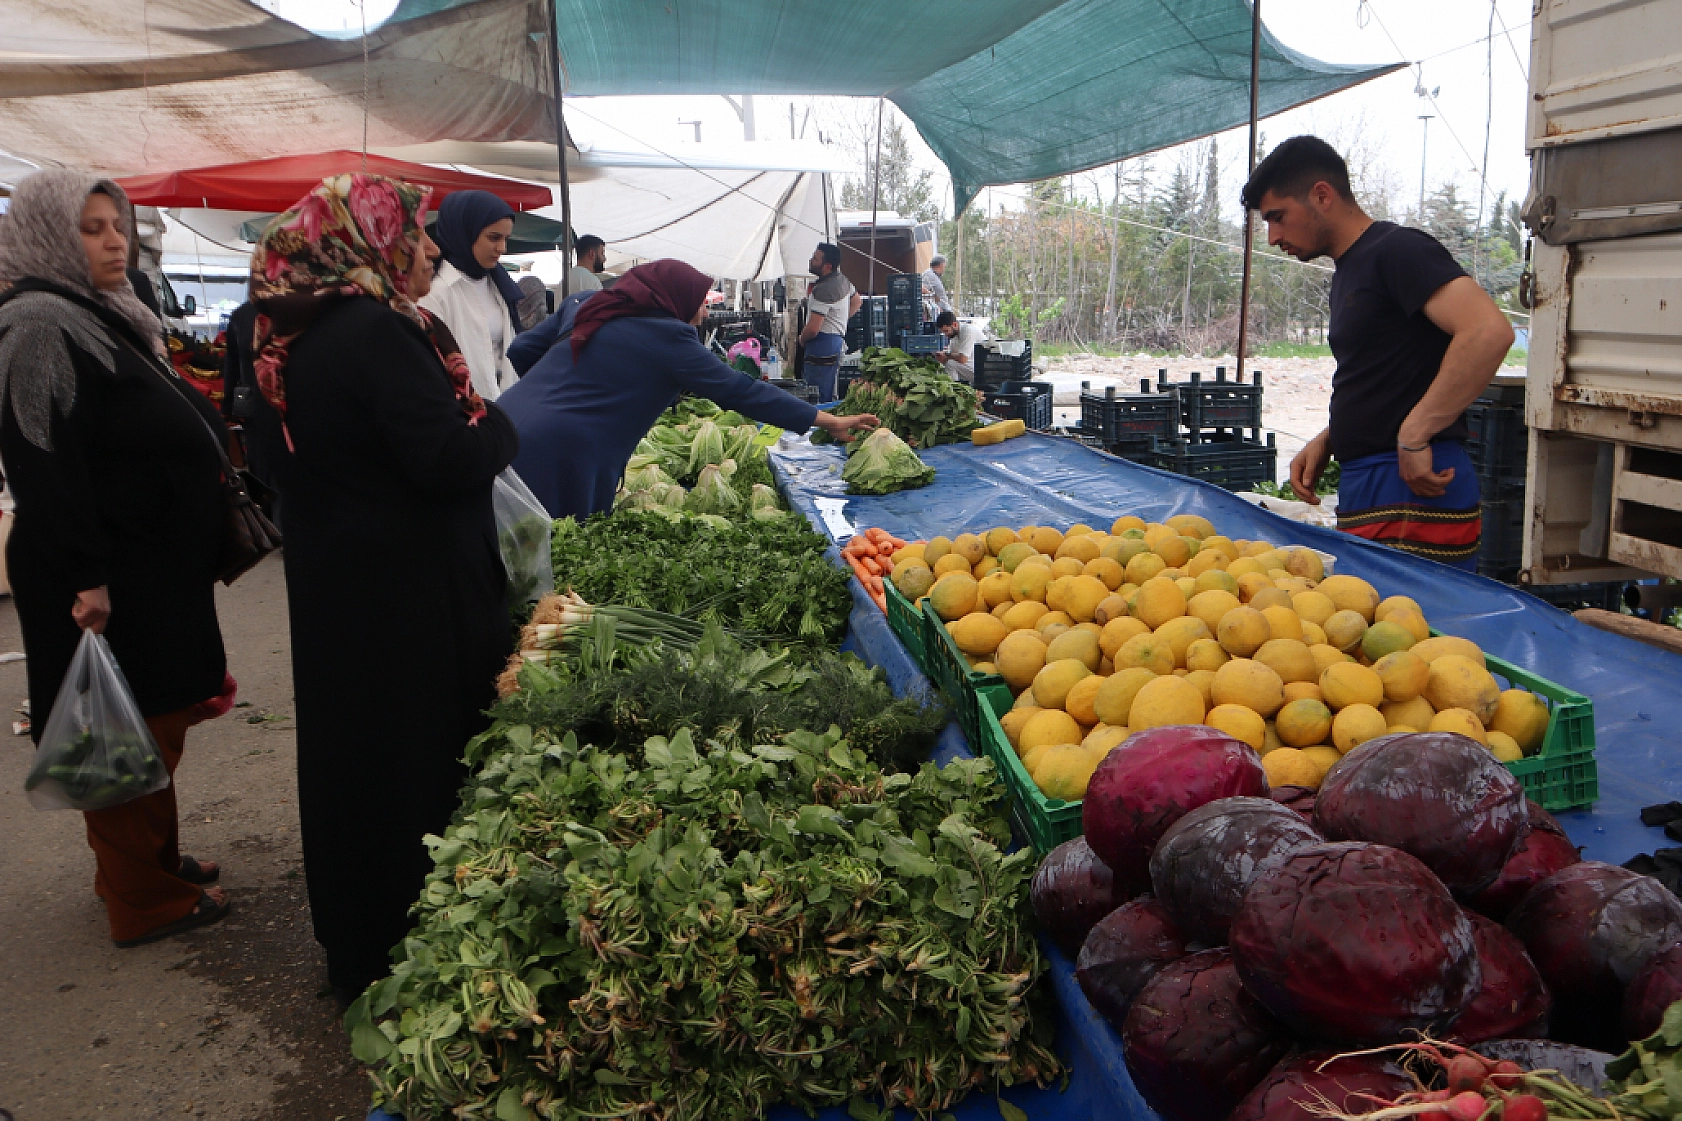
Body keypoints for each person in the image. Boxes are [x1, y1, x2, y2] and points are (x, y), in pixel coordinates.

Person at [247, 173, 518, 1001]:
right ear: (364, 239)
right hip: (411, 596)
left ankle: (358, 940)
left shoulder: (276, 332)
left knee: (350, 757)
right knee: (415, 758)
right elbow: (449, 458)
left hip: (335, 584)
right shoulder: (375, 333)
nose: (431, 249)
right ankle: (418, 945)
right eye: (413, 232)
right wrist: (501, 427)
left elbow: (269, 461)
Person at [0, 170, 233, 947]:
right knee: (117, 731)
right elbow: (42, 459)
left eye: (117, 225)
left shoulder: (96, 311)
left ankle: (153, 864)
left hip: (144, 567)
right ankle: (140, 898)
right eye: (91, 226)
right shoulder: (36, 321)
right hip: (102, 575)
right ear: (45, 233)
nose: (113, 240)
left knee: (152, 723)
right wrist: (85, 575)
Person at [1241, 136, 1514, 570]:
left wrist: (1415, 433)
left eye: (1278, 217)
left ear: (1322, 195)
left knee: (1413, 630)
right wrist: (1333, 436)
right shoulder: (1353, 268)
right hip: (1375, 484)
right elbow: (1392, 371)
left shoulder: (1397, 250)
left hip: (1412, 487)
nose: (1273, 237)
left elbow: (1487, 331)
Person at [499, 259, 877, 519]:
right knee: (555, 554)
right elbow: (741, 392)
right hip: (564, 452)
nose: (705, 313)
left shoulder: (588, 303)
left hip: (502, 423)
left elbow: (520, 350)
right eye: (700, 302)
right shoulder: (668, 336)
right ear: (673, 298)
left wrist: (558, 389)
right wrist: (827, 421)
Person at [419, 189, 522, 401]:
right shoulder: (436, 294)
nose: (502, 248)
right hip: (464, 415)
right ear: (464, 232)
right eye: (493, 238)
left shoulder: (499, 286)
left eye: (505, 239)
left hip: (504, 408)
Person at [798, 242, 859, 401]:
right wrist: (840, 321)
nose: (811, 260)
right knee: (830, 391)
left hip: (822, 346)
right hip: (834, 342)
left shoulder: (825, 290)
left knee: (818, 395)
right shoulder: (843, 280)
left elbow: (813, 329)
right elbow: (857, 301)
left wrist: (802, 339)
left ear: (827, 266)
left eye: (815, 259)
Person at [934, 310, 983, 384]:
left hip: (982, 370)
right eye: (943, 332)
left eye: (946, 331)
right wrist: (942, 356)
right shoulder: (954, 335)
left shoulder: (968, 331)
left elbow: (962, 359)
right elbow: (952, 354)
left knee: (950, 364)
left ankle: (954, 390)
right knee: (942, 367)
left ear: (955, 325)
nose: (945, 334)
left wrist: (947, 355)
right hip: (970, 366)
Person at [922, 254, 954, 319]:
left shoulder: (934, 275)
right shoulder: (929, 274)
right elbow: (921, 288)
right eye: (944, 266)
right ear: (941, 265)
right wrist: (936, 304)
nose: (944, 269)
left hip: (943, 311)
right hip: (939, 313)